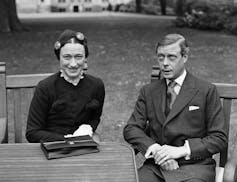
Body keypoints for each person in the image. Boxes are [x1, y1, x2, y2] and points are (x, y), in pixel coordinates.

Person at [123, 34, 227, 182]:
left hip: (195, 167)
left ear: (184, 57)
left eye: (171, 57)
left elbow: (219, 138)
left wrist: (181, 151)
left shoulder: (205, 90)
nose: (165, 63)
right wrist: (157, 150)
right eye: (160, 57)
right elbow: (131, 129)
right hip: (156, 167)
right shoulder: (149, 91)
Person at [26, 29, 105, 143]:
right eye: (67, 57)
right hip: (52, 146)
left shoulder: (97, 85)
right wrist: (67, 140)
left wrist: (88, 128)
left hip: (83, 144)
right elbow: (32, 133)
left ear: (85, 58)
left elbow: (95, 117)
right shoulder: (45, 87)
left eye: (78, 57)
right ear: (59, 58)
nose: (73, 64)